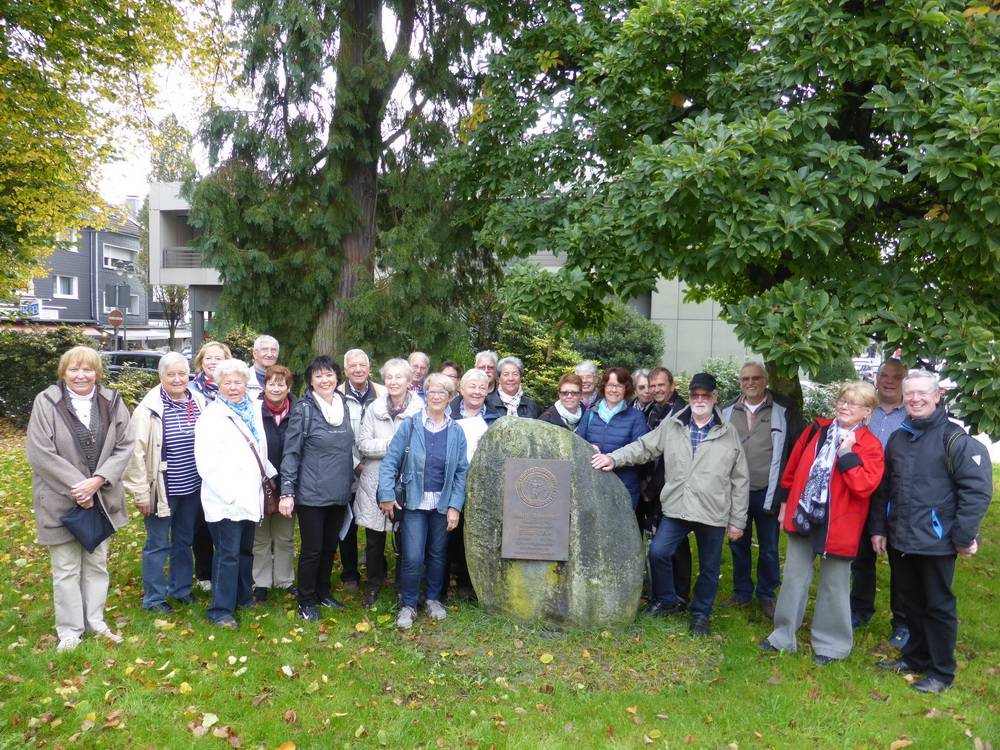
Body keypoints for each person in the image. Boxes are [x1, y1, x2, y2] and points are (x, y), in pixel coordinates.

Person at [593, 372, 748, 636]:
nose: (700, 400)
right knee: (658, 552)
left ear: (714, 398)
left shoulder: (727, 432)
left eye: (705, 395)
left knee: (709, 568)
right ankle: (667, 600)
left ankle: (700, 614)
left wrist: (737, 521)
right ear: (690, 397)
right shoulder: (674, 425)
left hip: (712, 511)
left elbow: (740, 478)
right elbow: (644, 447)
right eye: (695, 395)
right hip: (678, 506)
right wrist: (613, 458)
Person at [870, 370, 992, 693]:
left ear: (937, 396)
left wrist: (964, 536)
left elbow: (977, 490)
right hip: (901, 537)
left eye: (923, 393)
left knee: (938, 606)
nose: (915, 398)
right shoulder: (898, 437)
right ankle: (915, 658)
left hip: (937, 540)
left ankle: (941, 672)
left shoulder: (954, 439)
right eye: (910, 393)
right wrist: (879, 529)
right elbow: (885, 489)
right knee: (910, 602)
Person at [760, 381, 883, 665]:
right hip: (804, 513)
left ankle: (831, 645)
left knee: (834, 585)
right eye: (842, 400)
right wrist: (784, 505)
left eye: (853, 403)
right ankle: (782, 636)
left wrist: (846, 454)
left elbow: (864, 486)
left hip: (840, 523)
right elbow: (791, 469)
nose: (844, 406)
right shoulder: (818, 429)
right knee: (794, 578)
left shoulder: (870, 445)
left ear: (867, 411)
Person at [27, 346, 133, 651]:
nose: (81, 375)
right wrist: (79, 486)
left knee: (97, 564)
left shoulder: (112, 402)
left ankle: (95, 622)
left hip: (102, 499)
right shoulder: (46, 402)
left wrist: (97, 482)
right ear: (63, 373)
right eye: (74, 369)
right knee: (66, 568)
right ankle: (70, 631)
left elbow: (125, 446)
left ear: (97, 373)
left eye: (88, 369)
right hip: (59, 499)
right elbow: (39, 452)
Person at [378, 373, 469, 629]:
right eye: (432, 392)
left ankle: (432, 599)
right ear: (425, 396)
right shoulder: (410, 426)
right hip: (414, 504)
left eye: (443, 393)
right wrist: (386, 495)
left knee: (438, 554)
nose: (437, 397)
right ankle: (408, 604)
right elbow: (390, 462)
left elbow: (461, 471)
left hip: (442, 505)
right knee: (413, 556)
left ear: (450, 398)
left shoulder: (456, 431)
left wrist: (455, 506)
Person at [721, 361, 804, 619]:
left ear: (765, 380)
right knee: (738, 543)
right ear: (740, 383)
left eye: (755, 378)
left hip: (769, 491)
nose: (750, 383)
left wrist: (786, 496)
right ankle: (742, 592)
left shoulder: (784, 409)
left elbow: (795, 452)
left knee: (768, 547)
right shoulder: (726, 410)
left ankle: (767, 594)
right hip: (737, 492)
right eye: (745, 379)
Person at [123, 352, 206, 613]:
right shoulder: (149, 409)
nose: (178, 379)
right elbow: (134, 452)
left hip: (191, 487)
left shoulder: (198, 402)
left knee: (184, 541)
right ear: (161, 377)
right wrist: (139, 493)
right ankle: (154, 599)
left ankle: (180, 590)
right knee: (158, 544)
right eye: (171, 374)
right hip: (161, 488)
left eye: (182, 374)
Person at [194, 359, 272, 628]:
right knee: (227, 554)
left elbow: (260, 450)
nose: (233, 387)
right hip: (225, 499)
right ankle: (220, 609)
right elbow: (205, 462)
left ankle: (243, 597)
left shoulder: (251, 409)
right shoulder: (211, 416)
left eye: (238, 382)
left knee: (244, 550)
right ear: (218, 384)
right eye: (227, 382)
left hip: (250, 496)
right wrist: (230, 495)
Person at [279, 356, 356, 621]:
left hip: (338, 491)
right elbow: (291, 452)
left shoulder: (343, 405)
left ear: (337, 377)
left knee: (329, 546)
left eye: (329, 375)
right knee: (312, 549)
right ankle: (306, 599)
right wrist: (287, 491)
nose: (325, 380)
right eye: (319, 376)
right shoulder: (304, 409)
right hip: (311, 493)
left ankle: (323, 592)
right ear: (311, 381)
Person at [355, 358, 424, 607]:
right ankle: (373, 583)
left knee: (404, 536)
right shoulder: (374, 408)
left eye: (399, 377)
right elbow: (363, 444)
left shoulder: (420, 410)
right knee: (374, 539)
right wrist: (393, 445)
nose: (394, 382)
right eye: (389, 377)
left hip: (407, 481)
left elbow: (421, 446)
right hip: (375, 480)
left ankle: (401, 585)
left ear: (409, 381)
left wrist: (395, 447)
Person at [850, 358, 909, 644]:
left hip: (897, 495)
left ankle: (902, 622)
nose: (888, 381)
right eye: (884, 375)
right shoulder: (865, 411)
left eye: (896, 377)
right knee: (861, 558)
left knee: (900, 560)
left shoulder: (912, 413)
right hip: (862, 492)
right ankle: (859, 609)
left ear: (904, 381)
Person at [337, 349, 387, 593]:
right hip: (347, 467)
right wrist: (355, 463)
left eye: (362, 365)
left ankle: (376, 572)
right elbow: (335, 436)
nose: (358, 369)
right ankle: (349, 574)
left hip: (377, 468)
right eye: (353, 366)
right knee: (347, 523)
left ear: (369, 368)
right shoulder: (335, 394)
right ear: (345, 370)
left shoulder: (383, 393)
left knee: (374, 523)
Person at [639, 367, 689, 603]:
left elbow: (673, 457)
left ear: (672, 386)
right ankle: (660, 591)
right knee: (656, 539)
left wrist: (652, 488)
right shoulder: (651, 410)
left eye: (661, 385)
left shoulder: (682, 413)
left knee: (676, 545)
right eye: (653, 385)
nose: (657, 389)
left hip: (672, 487)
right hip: (652, 485)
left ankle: (679, 593)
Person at [447, 367, 494, 599]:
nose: (477, 391)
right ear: (460, 389)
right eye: (472, 387)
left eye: (482, 387)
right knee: (446, 534)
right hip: (448, 483)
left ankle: (468, 583)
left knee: (472, 533)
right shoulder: (447, 413)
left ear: (488, 390)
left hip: (480, 486)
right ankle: (442, 582)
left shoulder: (495, 417)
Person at [189, 340, 232, 593]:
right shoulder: (191, 389)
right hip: (199, 462)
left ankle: (224, 568)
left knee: (226, 520)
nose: (213, 362)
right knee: (201, 522)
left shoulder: (233, 386)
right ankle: (204, 572)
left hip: (229, 464)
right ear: (201, 361)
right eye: (209, 358)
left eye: (218, 358)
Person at [576, 368, 649, 510]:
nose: (614, 390)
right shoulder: (591, 413)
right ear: (604, 387)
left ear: (626, 388)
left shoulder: (636, 417)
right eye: (610, 385)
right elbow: (577, 445)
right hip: (594, 484)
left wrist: (614, 459)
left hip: (624, 486)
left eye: (619, 386)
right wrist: (588, 448)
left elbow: (640, 453)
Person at [253, 365, 296, 602]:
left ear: (288, 387)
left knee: (284, 536)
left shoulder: (297, 411)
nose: (276, 388)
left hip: (289, 482)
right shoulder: (254, 411)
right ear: (264, 385)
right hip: (260, 482)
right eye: (272, 383)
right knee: (260, 538)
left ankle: (284, 580)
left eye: (281, 384)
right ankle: (260, 583)